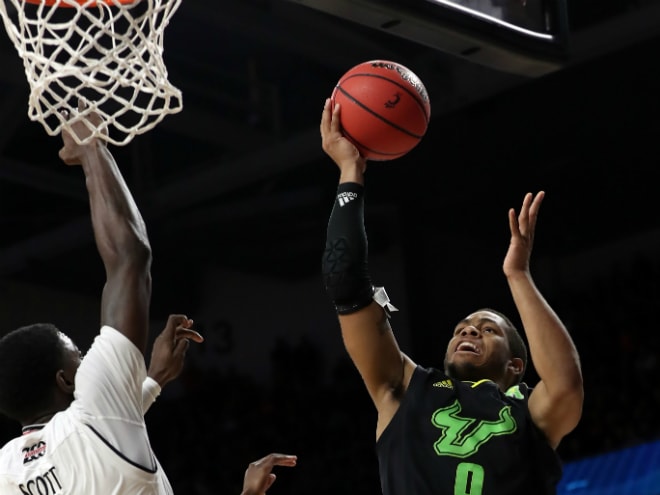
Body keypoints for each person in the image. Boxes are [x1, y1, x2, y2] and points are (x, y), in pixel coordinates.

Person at [319, 98, 584, 495]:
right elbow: (344, 280)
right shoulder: (406, 388)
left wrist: (517, 274)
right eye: (463, 327)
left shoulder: (528, 413)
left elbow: (565, 386)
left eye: (487, 330)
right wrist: (350, 171)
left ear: (515, 366)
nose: (469, 331)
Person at [0, 100, 202, 494]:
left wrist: (153, 379)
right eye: (76, 353)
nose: (85, 357)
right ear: (65, 380)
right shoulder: (95, 412)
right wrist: (92, 149)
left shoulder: (6, 469)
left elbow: (100, 427)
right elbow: (130, 258)